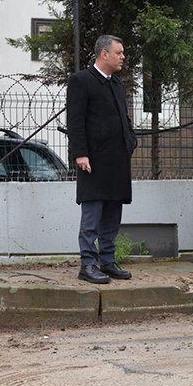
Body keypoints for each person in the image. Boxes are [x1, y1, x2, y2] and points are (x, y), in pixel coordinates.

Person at [66, 34, 138, 284]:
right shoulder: (81, 81)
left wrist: (130, 140)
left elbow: (122, 117)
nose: (123, 57)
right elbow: (75, 121)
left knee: (112, 215)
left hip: (117, 161)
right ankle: (88, 264)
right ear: (104, 54)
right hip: (93, 161)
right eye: (119, 52)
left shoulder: (116, 83)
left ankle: (107, 261)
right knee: (92, 215)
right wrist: (80, 153)